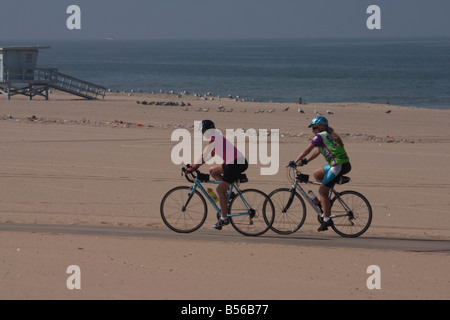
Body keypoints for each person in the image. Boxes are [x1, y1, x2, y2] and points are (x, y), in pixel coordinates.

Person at [289, 116, 351, 232]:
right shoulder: (327, 135)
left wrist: (295, 161)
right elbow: (317, 151)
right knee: (317, 174)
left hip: (338, 165)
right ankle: (325, 200)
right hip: (340, 164)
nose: (313, 131)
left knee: (322, 191)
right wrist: (306, 161)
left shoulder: (320, 136)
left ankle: (327, 219)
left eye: (313, 128)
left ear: (320, 127)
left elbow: (307, 150)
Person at [188, 120, 248, 230]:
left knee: (220, 190)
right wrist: (194, 166)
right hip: (234, 162)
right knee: (213, 171)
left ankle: (224, 218)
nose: (202, 133)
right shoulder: (215, 137)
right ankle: (229, 194)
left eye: (203, 130)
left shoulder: (214, 138)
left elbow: (205, 156)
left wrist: (193, 167)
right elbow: (209, 155)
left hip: (235, 164)